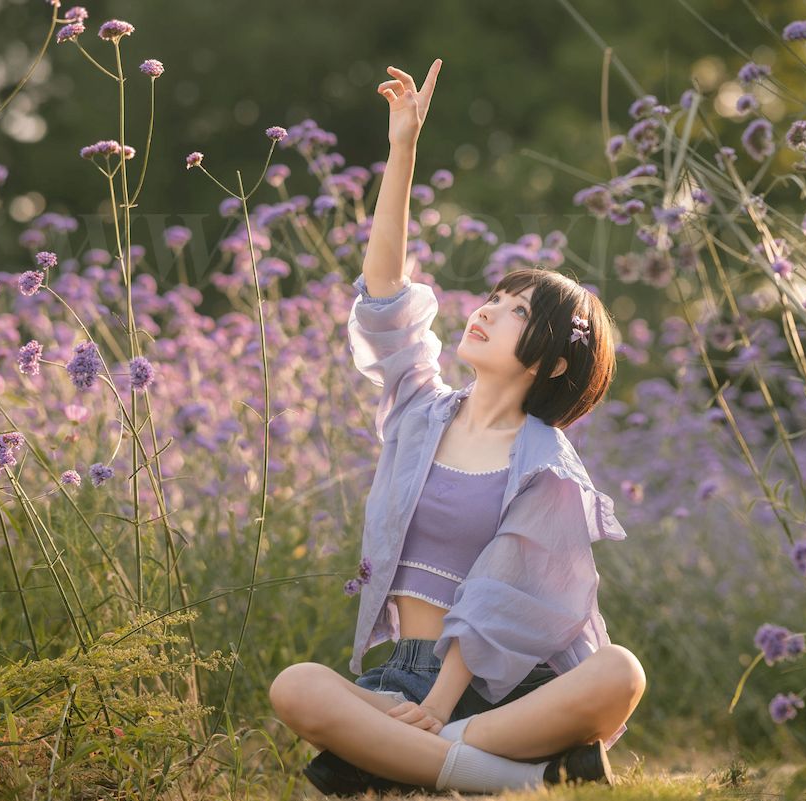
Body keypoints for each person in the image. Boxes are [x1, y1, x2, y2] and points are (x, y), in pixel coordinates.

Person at [269, 58, 646, 796]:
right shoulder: (419, 409)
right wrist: (402, 147)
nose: (486, 308)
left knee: (620, 673)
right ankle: (514, 774)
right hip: (400, 673)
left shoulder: (548, 466)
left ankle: (400, 758)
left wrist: (438, 706)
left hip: (503, 689)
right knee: (297, 686)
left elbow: (506, 597)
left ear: (552, 363)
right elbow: (384, 294)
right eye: (495, 296)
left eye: (514, 311)